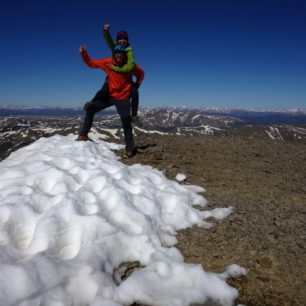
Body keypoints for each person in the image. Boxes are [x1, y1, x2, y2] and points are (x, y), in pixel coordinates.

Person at [78, 44, 144, 158]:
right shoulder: (108, 62)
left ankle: (130, 149)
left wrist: (135, 87)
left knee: (126, 123)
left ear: (124, 55)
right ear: (114, 55)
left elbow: (141, 73)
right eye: (117, 54)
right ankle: (83, 135)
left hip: (123, 98)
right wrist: (84, 54)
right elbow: (91, 63)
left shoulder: (130, 66)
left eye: (121, 54)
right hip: (109, 96)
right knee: (90, 108)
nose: (119, 56)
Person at [85, 24, 141, 126]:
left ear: (127, 40)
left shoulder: (129, 51)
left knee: (135, 92)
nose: (122, 41)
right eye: (120, 39)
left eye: (124, 39)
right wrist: (105, 31)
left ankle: (134, 116)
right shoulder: (115, 47)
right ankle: (93, 102)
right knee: (104, 90)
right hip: (112, 75)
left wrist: (115, 68)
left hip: (125, 77)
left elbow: (129, 67)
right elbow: (109, 41)